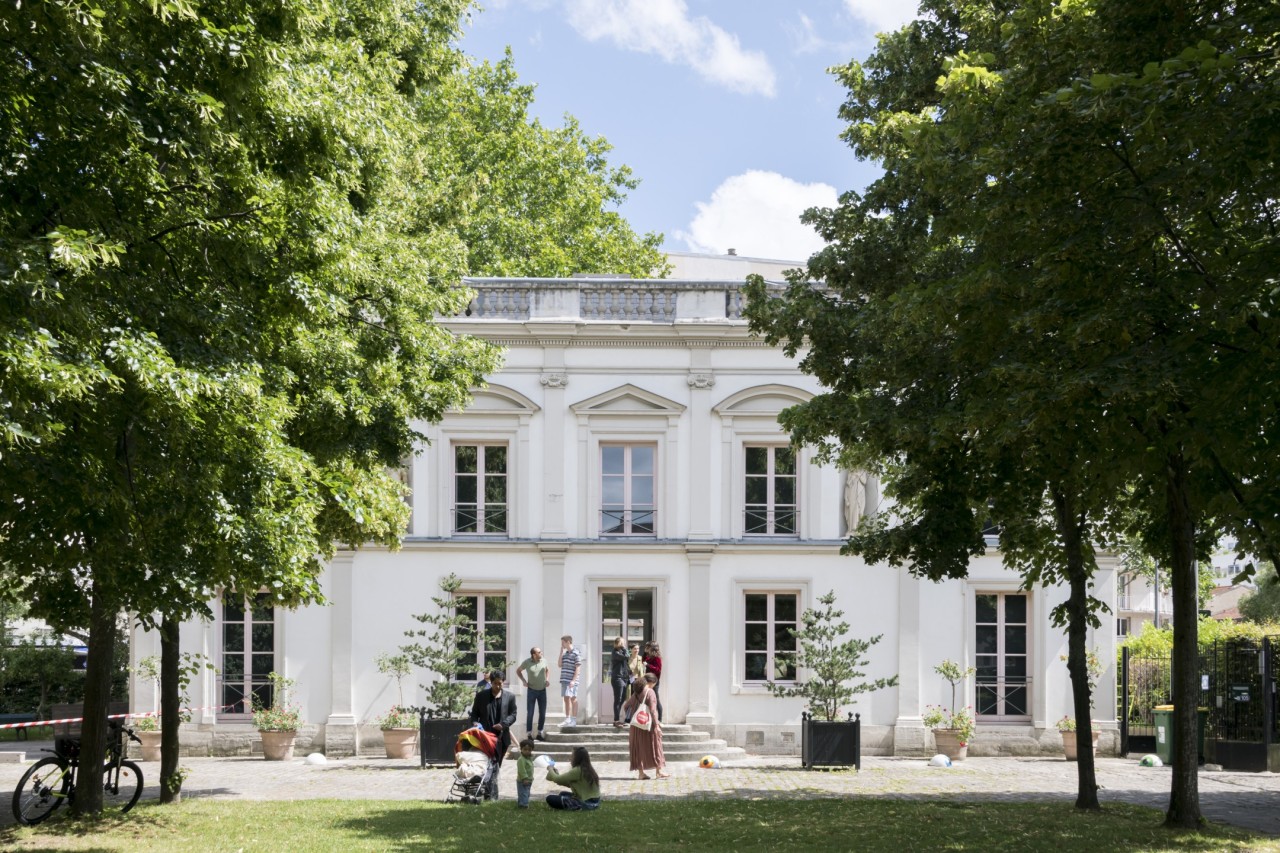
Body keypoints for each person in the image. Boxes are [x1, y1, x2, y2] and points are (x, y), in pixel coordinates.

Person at [469, 671, 518, 800]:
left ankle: (489, 792)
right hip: (485, 737)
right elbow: (474, 713)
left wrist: (503, 724)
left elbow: (513, 714)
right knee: (488, 764)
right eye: (495, 683)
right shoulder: (481, 696)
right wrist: (475, 723)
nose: (497, 686)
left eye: (500, 684)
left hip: (501, 737)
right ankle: (491, 794)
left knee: (496, 764)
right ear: (491, 682)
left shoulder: (510, 697)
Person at [622, 672, 668, 780]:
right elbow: (653, 710)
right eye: (654, 684)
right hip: (648, 725)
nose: (654, 686)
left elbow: (626, 706)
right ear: (651, 682)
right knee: (655, 745)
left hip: (636, 725)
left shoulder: (636, 692)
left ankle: (641, 774)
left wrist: (635, 714)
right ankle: (659, 772)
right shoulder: (650, 692)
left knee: (638, 748)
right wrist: (657, 725)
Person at [545, 746, 601, 810]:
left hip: (587, 803)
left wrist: (550, 769)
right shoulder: (587, 768)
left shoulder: (577, 770)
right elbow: (564, 782)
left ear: (577, 758)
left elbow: (557, 779)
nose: (570, 758)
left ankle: (577, 806)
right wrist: (556, 774)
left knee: (550, 798)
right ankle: (571, 804)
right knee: (563, 793)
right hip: (595, 802)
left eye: (572, 756)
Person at [516, 646, 549, 741]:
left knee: (542, 713)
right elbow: (518, 671)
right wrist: (523, 681)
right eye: (539, 652)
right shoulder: (527, 662)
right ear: (534, 655)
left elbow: (547, 670)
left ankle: (539, 733)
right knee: (530, 713)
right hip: (531, 691)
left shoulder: (544, 661)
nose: (541, 653)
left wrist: (547, 680)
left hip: (542, 691)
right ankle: (529, 734)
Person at [558, 634, 581, 727]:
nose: (562, 645)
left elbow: (578, 668)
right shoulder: (565, 654)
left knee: (573, 699)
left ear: (568, 642)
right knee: (566, 699)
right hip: (564, 679)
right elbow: (559, 665)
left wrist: (573, 680)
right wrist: (560, 653)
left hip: (572, 681)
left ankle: (574, 720)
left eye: (563, 642)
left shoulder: (576, 652)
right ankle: (567, 719)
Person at [609, 636, 629, 727]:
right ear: (618, 643)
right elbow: (627, 656)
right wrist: (625, 649)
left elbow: (626, 659)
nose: (624, 644)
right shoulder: (615, 652)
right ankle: (616, 720)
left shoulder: (621, 652)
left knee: (623, 698)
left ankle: (617, 718)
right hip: (617, 678)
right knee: (618, 699)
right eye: (622, 642)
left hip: (624, 678)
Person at [643, 641, 664, 722]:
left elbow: (658, 670)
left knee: (656, 699)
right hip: (648, 681)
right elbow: (643, 661)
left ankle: (660, 719)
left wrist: (648, 665)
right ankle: (648, 718)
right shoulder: (650, 657)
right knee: (647, 699)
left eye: (649, 647)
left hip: (654, 681)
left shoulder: (657, 658)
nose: (647, 649)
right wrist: (645, 652)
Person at [515, 737, 535, 808]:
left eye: (529, 750)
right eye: (525, 749)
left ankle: (522, 804)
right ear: (521, 749)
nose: (527, 751)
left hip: (529, 780)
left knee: (526, 793)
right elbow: (522, 770)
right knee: (523, 793)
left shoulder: (528, 758)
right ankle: (524, 805)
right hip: (523, 780)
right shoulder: (521, 759)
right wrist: (525, 778)